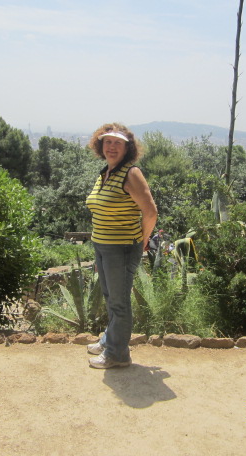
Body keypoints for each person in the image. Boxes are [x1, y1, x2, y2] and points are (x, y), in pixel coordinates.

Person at [85, 123, 158, 369]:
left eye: (118, 142)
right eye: (107, 141)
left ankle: (118, 354)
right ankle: (110, 341)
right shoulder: (105, 173)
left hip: (122, 247)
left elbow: (150, 212)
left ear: (128, 148)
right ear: (100, 145)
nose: (112, 146)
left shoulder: (131, 173)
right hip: (103, 246)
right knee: (110, 297)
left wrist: (142, 241)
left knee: (119, 301)